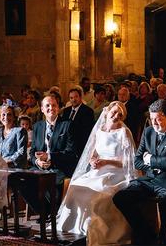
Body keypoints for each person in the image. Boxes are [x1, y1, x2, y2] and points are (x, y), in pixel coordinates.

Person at [113, 99, 166, 245]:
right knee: (120, 197)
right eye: (151, 119)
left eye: (158, 119)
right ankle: (147, 233)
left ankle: (163, 237)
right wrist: (156, 164)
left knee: (165, 199)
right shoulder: (148, 131)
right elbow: (137, 161)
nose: (154, 123)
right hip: (150, 180)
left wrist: (149, 159)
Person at [57, 101, 136, 245]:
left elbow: (128, 162)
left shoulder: (124, 132)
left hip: (116, 173)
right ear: (107, 112)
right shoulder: (99, 130)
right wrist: (92, 161)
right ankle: (74, 230)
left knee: (97, 194)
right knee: (75, 187)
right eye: (114, 112)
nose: (116, 116)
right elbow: (91, 154)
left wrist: (106, 162)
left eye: (120, 114)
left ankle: (92, 231)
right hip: (98, 171)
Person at [15, 96, 78, 217]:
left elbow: (71, 153)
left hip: (60, 167)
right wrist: (37, 162)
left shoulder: (68, 125)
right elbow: (33, 150)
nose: (51, 108)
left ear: (58, 108)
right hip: (40, 167)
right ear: (42, 109)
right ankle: (45, 212)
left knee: (49, 181)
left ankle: (52, 213)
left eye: (54, 105)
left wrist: (49, 157)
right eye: (47, 106)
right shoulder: (38, 126)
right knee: (21, 180)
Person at [62, 88, 94, 157]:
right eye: (71, 98)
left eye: (76, 97)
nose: (74, 99)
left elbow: (87, 131)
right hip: (66, 144)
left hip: (80, 144)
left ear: (80, 97)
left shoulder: (88, 111)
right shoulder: (66, 111)